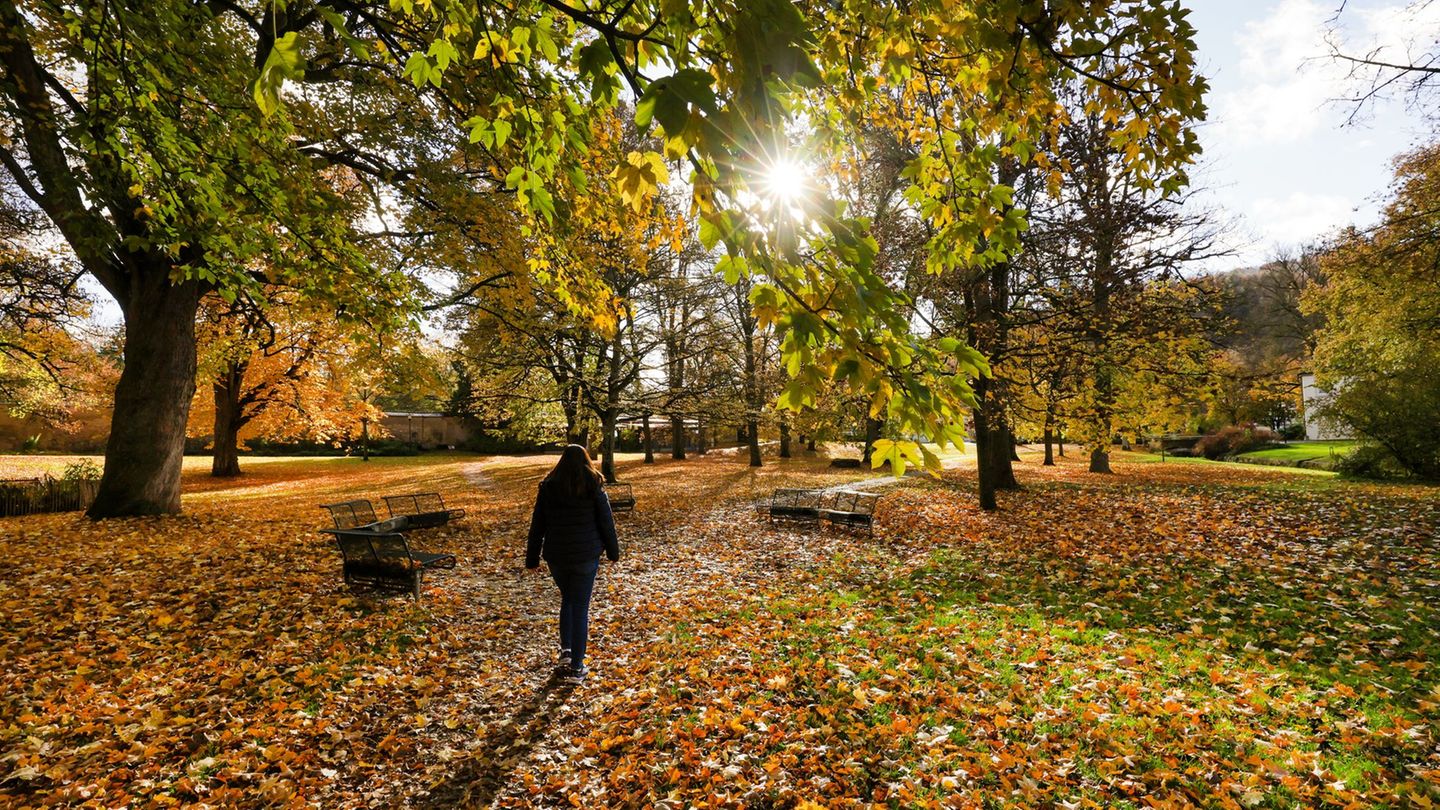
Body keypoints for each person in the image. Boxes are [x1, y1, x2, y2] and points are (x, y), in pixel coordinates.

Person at [525, 444, 620, 684]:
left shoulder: (548, 487)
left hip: (557, 556)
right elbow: (606, 521)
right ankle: (577, 667)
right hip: (585, 556)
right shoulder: (593, 485)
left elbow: (538, 525)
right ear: (586, 460)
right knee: (579, 606)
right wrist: (613, 552)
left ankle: (567, 652)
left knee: (568, 599)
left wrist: (532, 558)